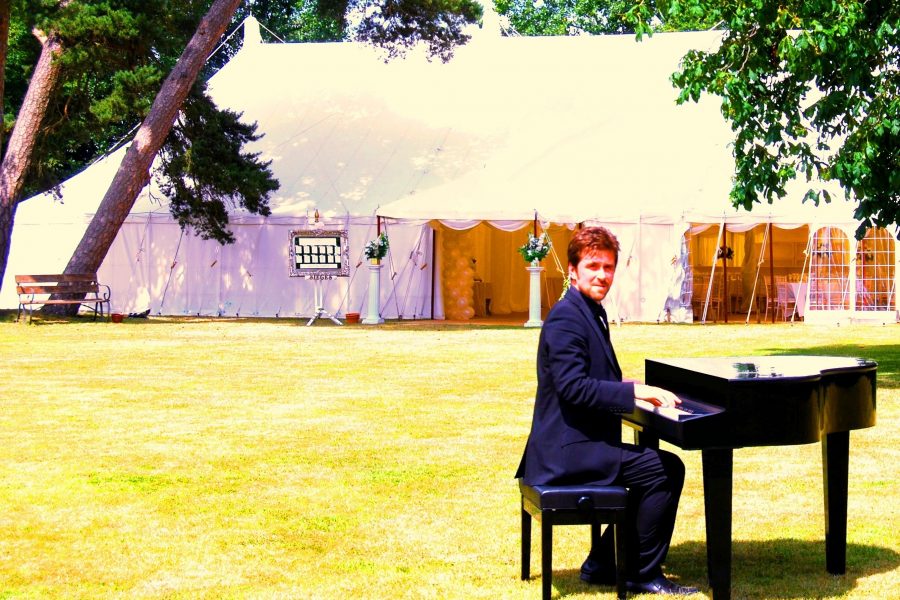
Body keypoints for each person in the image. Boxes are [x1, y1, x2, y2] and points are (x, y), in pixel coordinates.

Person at [515, 226, 699, 596]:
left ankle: (602, 562)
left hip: (575, 444)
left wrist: (637, 389)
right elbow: (573, 387)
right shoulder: (568, 317)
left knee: (653, 467)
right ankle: (642, 573)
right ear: (572, 269)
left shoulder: (587, 310)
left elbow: (595, 376)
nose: (602, 274)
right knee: (664, 469)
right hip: (566, 452)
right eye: (593, 265)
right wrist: (634, 393)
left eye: (609, 267)